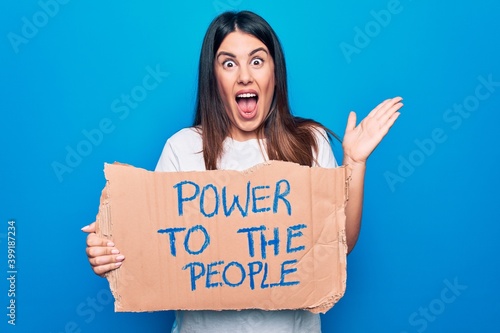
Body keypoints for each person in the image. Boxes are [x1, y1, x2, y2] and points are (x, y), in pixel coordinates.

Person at [82, 10, 402, 333]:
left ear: (275, 74)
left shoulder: (310, 143)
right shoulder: (181, 149)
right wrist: (110, 249)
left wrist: (355, 163)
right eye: (229, 63)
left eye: (257, 61)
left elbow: (339, 246)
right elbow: (154, 249)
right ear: (214, 77)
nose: (245, 76)